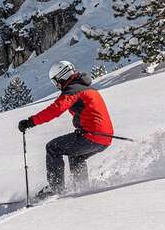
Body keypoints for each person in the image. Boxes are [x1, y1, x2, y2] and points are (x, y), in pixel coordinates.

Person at [17, 60, 114, 196]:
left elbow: (56, 109)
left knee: (53, 147)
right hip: (105, 138)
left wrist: (31, 122)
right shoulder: (87, 88)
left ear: (61, 76)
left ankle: (56, 189)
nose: (56, 85)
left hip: (91, 136)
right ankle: (81, 187)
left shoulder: (73, 89)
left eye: (55, 81)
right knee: (76, 155)